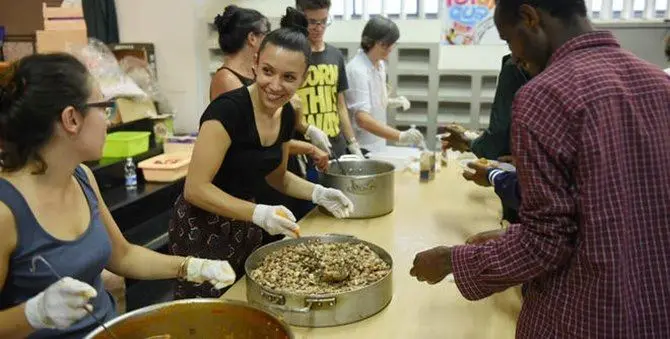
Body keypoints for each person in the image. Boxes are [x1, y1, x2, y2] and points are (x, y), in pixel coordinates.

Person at [411, 0, 670, 337]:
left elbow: (546, 243)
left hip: (582, 316)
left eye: (507, 40)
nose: (516, 58)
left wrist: (451, 261)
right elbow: (607, 214)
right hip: (654, 313)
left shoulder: (544, 95)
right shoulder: (659, 86)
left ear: (530, 17)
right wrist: (510, 236)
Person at [0, 53, 236, 339]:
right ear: (71, 119)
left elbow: (123, 256)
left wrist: (191, 266)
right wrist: (35, 313)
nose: (109, 121)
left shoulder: (82, 178)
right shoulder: (6, 211)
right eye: (105, 107)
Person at [168, 8, 354, 300]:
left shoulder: (287, 114)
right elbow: (195, 188)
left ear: (303, 79)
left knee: (245, 301)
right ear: (255, 63)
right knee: (208, 311)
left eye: (289, 77)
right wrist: (257, 212)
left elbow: (278, 178)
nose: (275, 85)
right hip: (203, 228)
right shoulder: (228, 111)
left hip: (246, 226)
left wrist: (317, 193)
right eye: (268, 71)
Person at [210, 5, 329, 172]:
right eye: (266, 33)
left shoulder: (257, 79)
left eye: (288, 77)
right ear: (252, 38)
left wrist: (303, 126)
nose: (274, 85)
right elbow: (256, 139)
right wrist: (308, 147)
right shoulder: (227, 81)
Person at [344, 17, 425, 153]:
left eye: (391, 44)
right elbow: (362, 119)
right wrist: (401, 135)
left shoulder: (379, 64)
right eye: (384, 45)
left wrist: (389, 101)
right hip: (363, 145)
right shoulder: (357, 70)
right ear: (369, 42)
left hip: (379, 140)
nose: (390, 49)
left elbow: (372, 100)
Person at [294, 0, 361, 158]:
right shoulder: (293, 56)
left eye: (324, 21)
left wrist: (352, 142)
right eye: (312, 22)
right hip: (303, 147)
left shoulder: (335, 55)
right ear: (300, 19)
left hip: (335, 145)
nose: (319, 28)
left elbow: (340, 105)